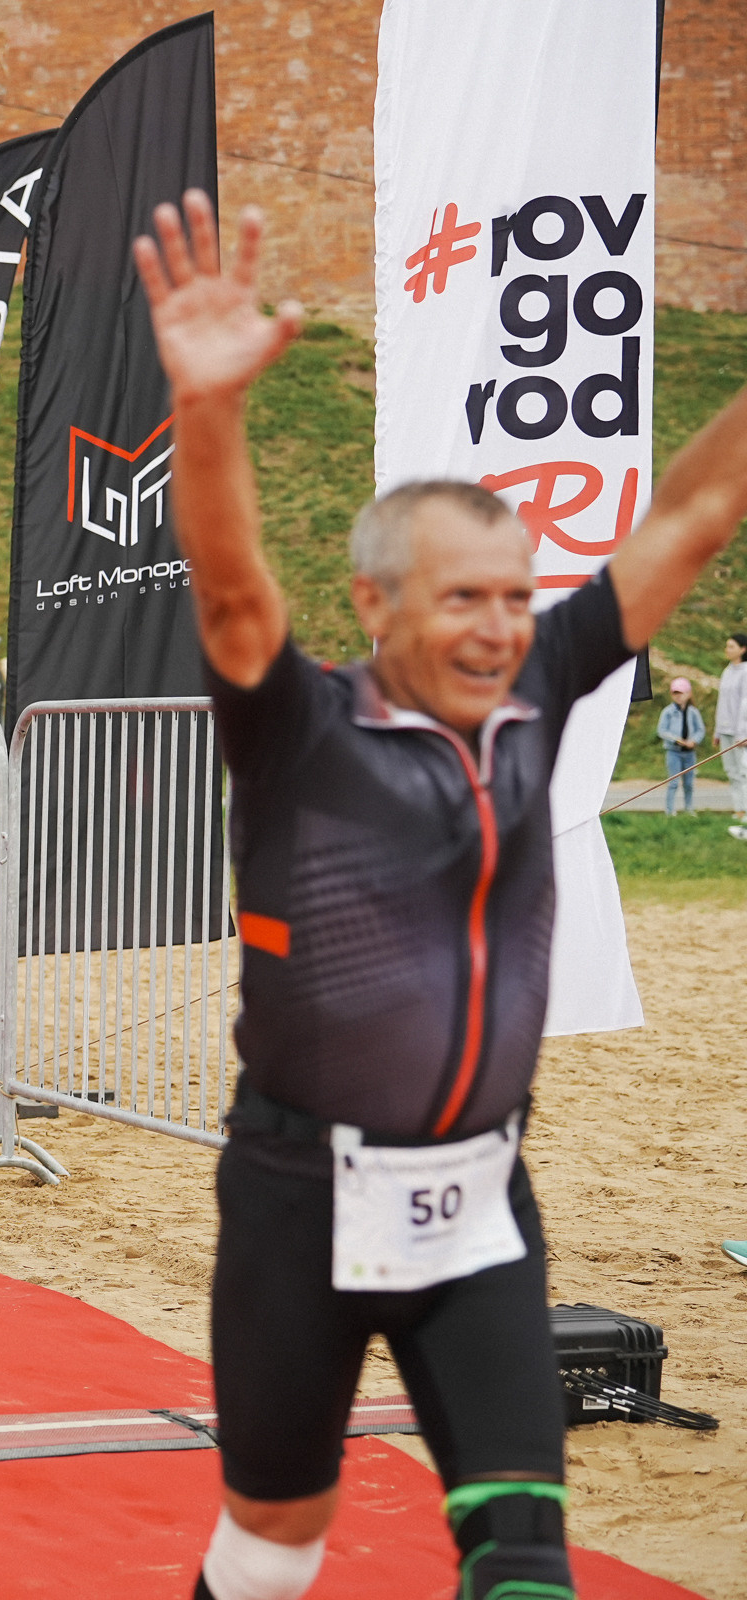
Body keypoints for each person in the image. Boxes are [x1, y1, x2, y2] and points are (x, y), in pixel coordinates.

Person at [134, 188, 747, 1600]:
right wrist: (207, 409)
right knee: (272, 1549)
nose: (501, 628)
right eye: (464, 599)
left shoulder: (539, 694)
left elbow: (697, 514)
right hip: (298, 1198)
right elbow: (231, 598)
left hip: (479, 1205)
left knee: (527, 1562)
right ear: (373, 605)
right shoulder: (302, 730)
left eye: (518, 598)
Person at [657, 676, 706, 815]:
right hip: (674, 752)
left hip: (689, 753)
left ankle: (689, 808)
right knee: (673, 782)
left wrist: (694, 741)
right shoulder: (668, 712)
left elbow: (700, 730)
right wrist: (675, 739)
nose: (678, 697)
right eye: (675, 693)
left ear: (689, 694)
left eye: (681, 693)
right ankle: (670, 810)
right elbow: (662, 730)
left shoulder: (693, 712)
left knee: (689, 783)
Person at [718, 633, 747, 827]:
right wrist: (717, 731)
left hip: (740, 733)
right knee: (732, 772)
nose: (727, 649)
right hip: (725, 731)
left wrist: (743, 733)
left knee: (744, 772)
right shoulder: (727, 671)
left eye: (731, 646)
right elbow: (722, 702)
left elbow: (745, 704)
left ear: (742, 649)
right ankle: (739, 810)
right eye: (727, 646)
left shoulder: (745, 672)